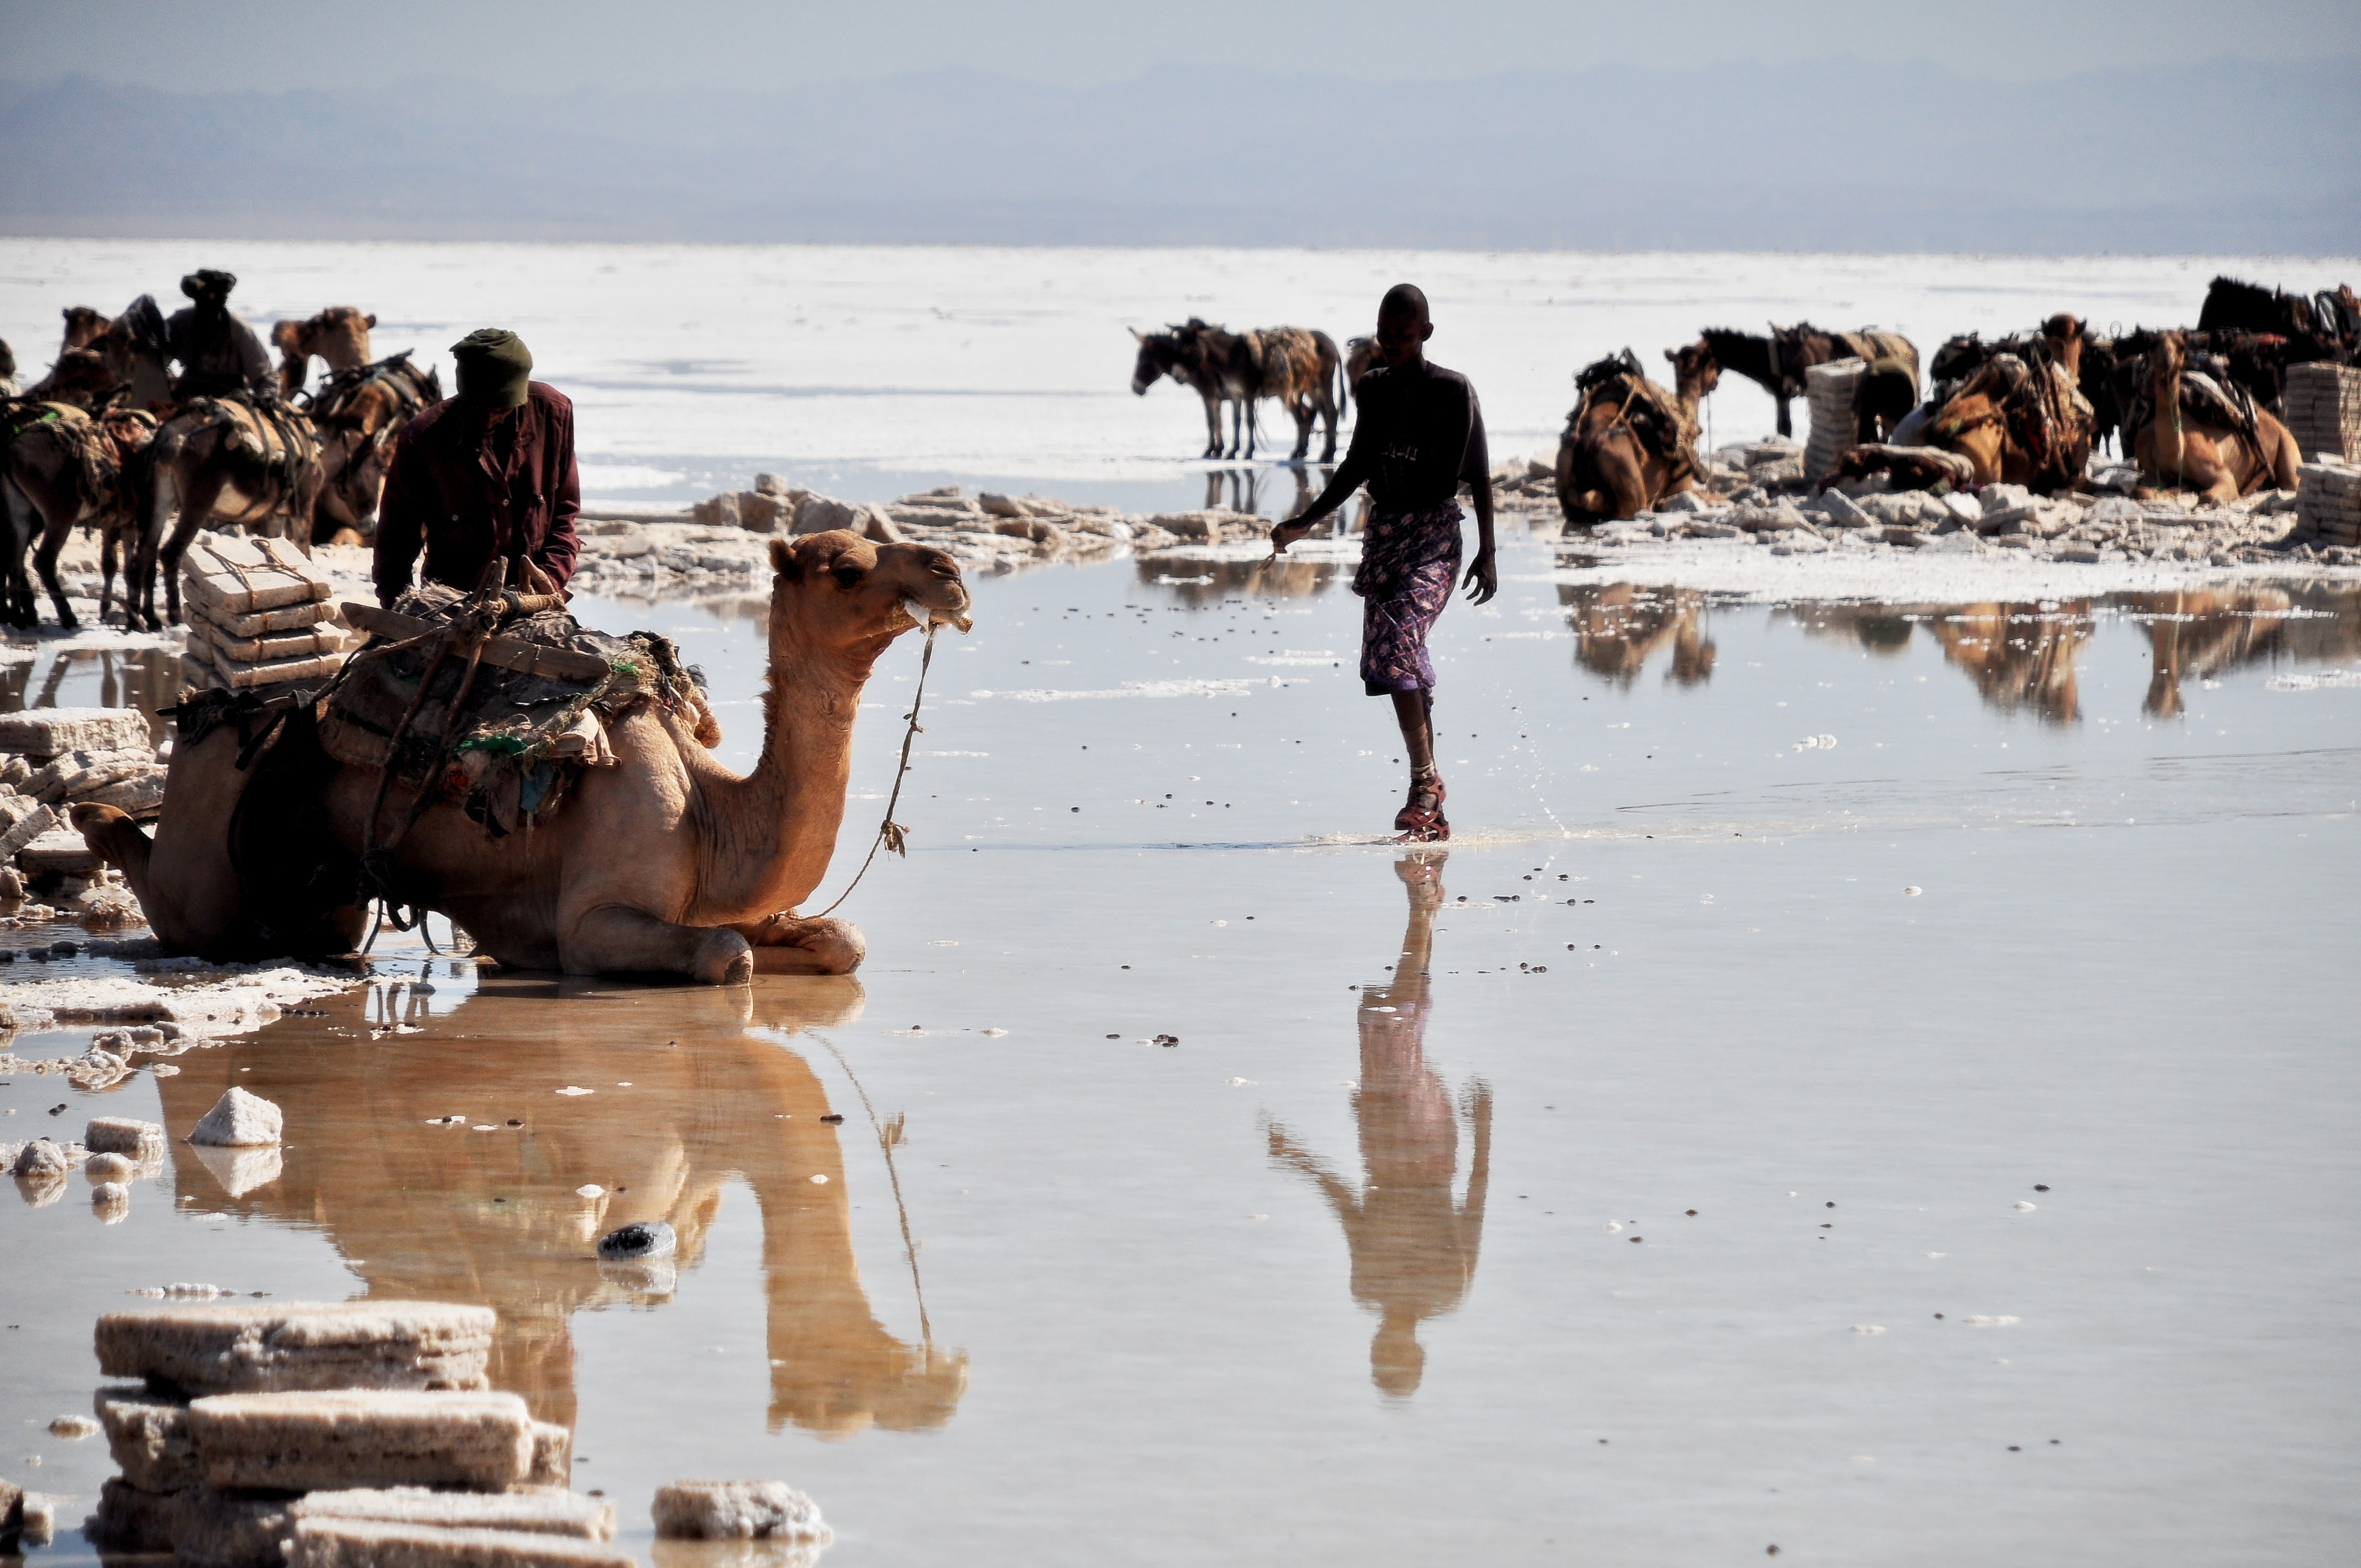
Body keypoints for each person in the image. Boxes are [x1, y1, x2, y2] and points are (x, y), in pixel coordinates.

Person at [1269, 284, 1494, 841]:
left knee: (1400, 648)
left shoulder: (1451, 391)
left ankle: (1423, 786)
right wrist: (1305, 520)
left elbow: (1478, 476)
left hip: (1434, 539)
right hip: (1385, 536)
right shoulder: (1370, 388)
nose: (1390, 344)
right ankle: (1431, 802)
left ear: (1424, 333)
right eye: (1384, 334)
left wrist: (1489, 551)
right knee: (1396, 660)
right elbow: (1353, 466)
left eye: (1401, 335)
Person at [374, 329, 581, 608]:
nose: (488, 421)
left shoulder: (553, 414)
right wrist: (398, 608)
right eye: (480, 410)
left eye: (500, 410)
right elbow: (395, 542)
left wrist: (544, 585)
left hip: (535, 601)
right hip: (452, 606)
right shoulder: (422, 440)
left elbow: (564, 516)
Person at [164, 269, 274, 400]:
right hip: (188, 394)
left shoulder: (239, 330)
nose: (208, 307)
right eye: (205, 298)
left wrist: (265, 399)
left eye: (216, 300)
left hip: (229, 398)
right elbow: (156, 359)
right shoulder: (180, 322)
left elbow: (263, 377)